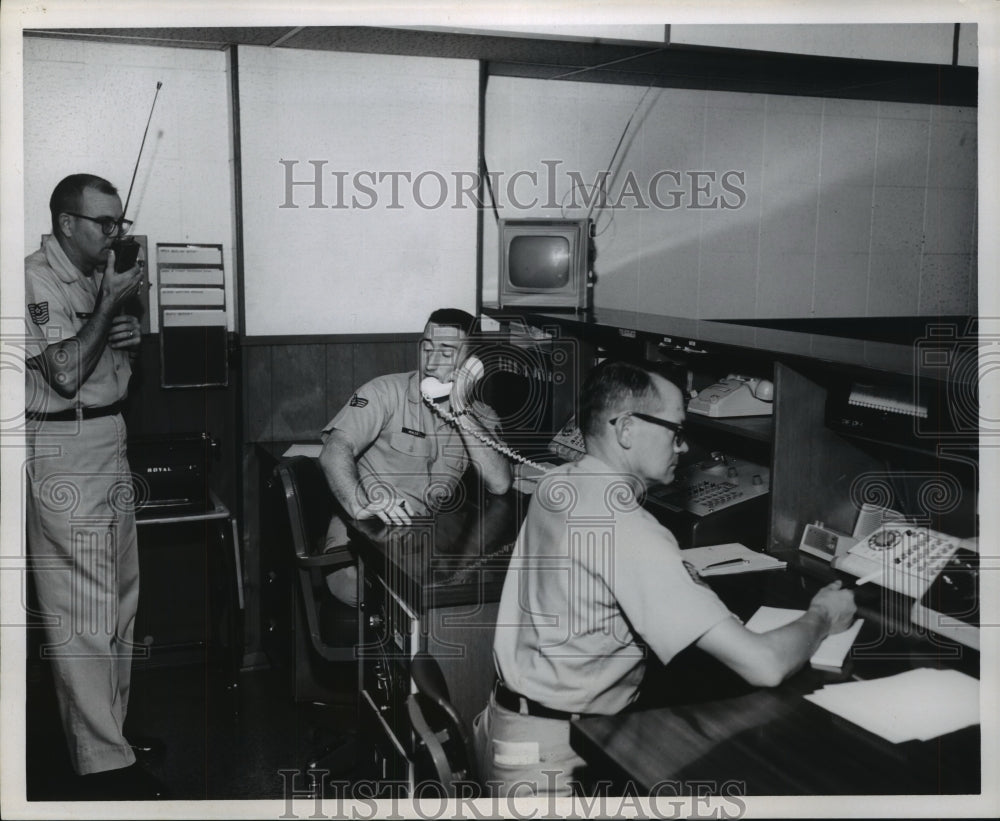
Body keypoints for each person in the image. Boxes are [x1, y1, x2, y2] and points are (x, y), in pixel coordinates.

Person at [474, 359, 856, 796]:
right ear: (626, 429)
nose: (684, 448)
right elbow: (763, 666)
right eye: (675, 430)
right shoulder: (630, 530)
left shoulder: (557, 483)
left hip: (504, 731)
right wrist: (823, 616)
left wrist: (673, 575)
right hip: (553, 763)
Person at [24, 173, 164, 799]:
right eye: (105, 224)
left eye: (119, 223)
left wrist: (127, 337)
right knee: (82, 609)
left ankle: (112, 736)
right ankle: (104, 766)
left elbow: (113, 369)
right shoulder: (34, 278)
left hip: (110, 437)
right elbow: (62, 376)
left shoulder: (101, 277)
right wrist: (109, 308)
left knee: (120, 601)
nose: (116, 235)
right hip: (63, 445)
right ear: (66, 224)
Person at [318, 308, 512, 604]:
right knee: (398, 603)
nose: (431, 362)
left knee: (475, 599)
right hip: (358, 538)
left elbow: (499, 483)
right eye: (426, 347)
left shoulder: (480, 416)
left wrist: (461, 409)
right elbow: (334, 450)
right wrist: (359, 504)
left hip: (418, 547)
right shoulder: (384, 392)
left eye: (446, 352)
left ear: (470, 364)